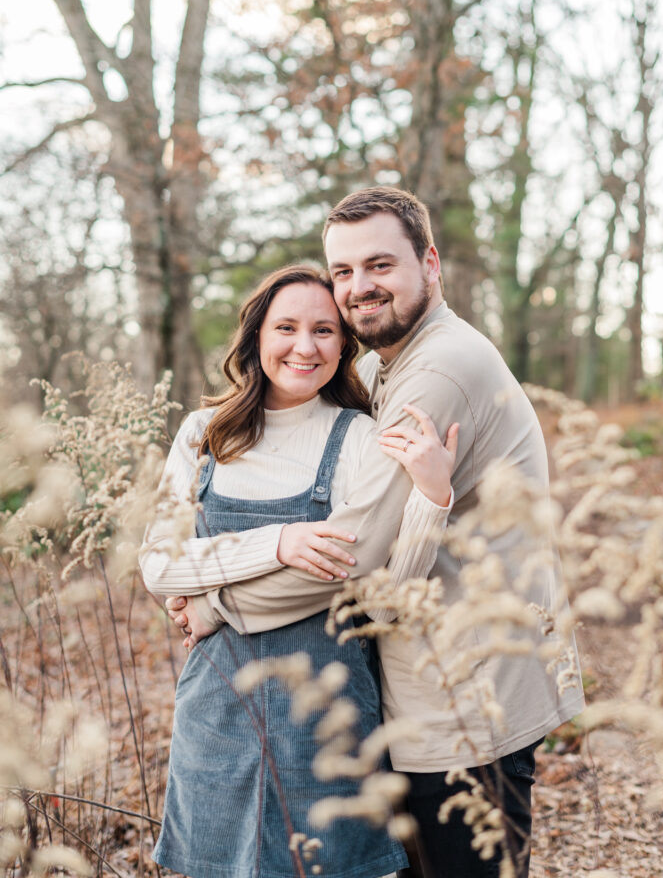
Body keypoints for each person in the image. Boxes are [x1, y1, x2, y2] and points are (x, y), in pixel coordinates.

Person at [161, 187, 585, 878]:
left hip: (466, 693)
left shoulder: (436, 370)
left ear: (430, 263)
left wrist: (215, 601)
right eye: (344, 272)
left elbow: (349, 557)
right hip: (425, 681)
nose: (359, 288)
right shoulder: (378, 365)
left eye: (380, 265)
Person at [140, 264, 460, 878]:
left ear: (344, 345)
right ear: (257, 336)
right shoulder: (200, 436)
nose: (305, 346)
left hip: (329, 724)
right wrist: (278, 541)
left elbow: (373, 587)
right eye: (286, 327)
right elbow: (158, 563)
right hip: (216, 709)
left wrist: (431, 503)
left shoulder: (363, 439)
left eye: (325, 330)